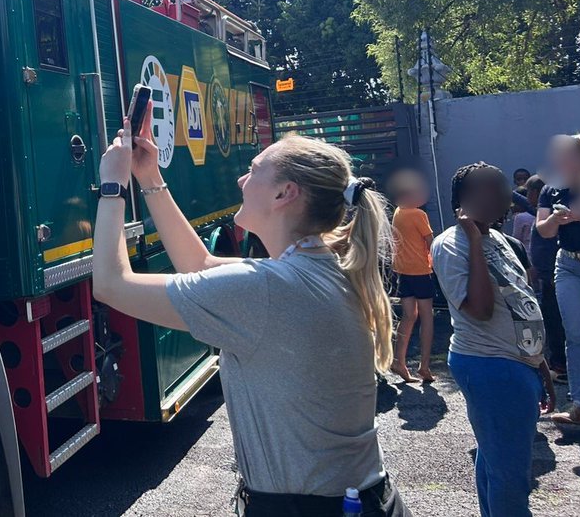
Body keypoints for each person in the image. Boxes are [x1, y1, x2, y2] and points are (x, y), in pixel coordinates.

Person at [92, 121, 410, 516]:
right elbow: (201, 265)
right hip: (358, 502)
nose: (243, 178)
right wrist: (149, 176)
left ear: (284, 193)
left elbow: (109, 283)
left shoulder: (264, 290)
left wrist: (112, 185)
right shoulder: (321, 269)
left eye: (255, 169)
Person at [433, 163, 555, 517]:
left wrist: (540, 365)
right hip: (490, 365)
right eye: (493, 188)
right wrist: (472, 240)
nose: (505, 195)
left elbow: (520, 303)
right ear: (464, 199)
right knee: (510, 475)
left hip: (519, 364)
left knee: (494, 459)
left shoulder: (500, 239)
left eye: (504, 187)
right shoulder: (451, 244)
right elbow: (481, 309)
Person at [534, 134, 580, 426]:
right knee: (578, 335)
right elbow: (543, 231)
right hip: (569, 265)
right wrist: (555, 221)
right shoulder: (551, 190)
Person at [389, 170, 435, 384]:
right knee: (427, 317)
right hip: (420, 270)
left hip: (403, 271)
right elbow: (430, 242)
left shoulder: (398, 212)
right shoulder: (417, 214)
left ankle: (399, 360)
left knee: (409, 316)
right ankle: (424, 366)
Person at [527, 173, 565, 379]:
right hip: (547, 275)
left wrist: (549, 273)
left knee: (556, 321)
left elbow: (551, 247)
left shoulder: (553, 218)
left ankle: (560, 364)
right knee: (552, 320)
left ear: (535, 192)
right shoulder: (542, 213)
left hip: (553, 277)